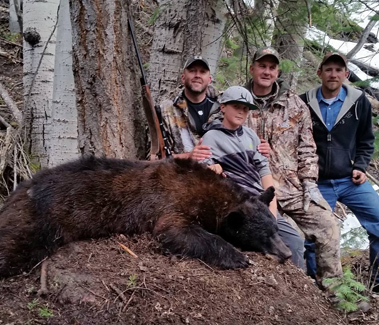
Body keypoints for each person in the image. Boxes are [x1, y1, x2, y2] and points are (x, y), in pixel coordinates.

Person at [244, 46, 343, 287]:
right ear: (252, 68)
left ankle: (333, 290)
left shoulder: (295, 105)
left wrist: (309, 183)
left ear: (277, 72)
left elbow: (307, 148)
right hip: (252, 187)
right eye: (262, 66)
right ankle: (294, 291)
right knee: (289, 238)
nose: (266, 72)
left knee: (329, 225)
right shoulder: (238, 100)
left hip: (291, 188)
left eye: (272, 67)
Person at [201, 85, 305, 269]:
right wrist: (211, 168)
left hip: (259, 201)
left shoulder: (250, 136)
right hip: (236, 206)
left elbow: (264, 171)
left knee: (295, 242)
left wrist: (271, 213)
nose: (241, 112)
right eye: (236, 107)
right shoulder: (211, 137)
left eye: (245, 109)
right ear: (223, 107)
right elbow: (205, 169)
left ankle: (301, 283)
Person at [300, 52, 379, 291]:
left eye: (338, 70)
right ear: (319, 73)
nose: (333, 74)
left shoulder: (359, 101)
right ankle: (315, 285)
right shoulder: (304, 101)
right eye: (328, 69)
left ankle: (376, 283)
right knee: (314, 235)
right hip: (318, 181)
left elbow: (366, 140)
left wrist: (361, 166)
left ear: (346, 74)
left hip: (350, 180)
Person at [159, 56, 220, 161]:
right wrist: (188, 156)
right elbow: (154, 158)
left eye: (202, 72)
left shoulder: (223, 107)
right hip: (180, 173)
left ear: (209, 79)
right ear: (183, 77)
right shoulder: (166, 110)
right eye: (192, 71)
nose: (197, 75)